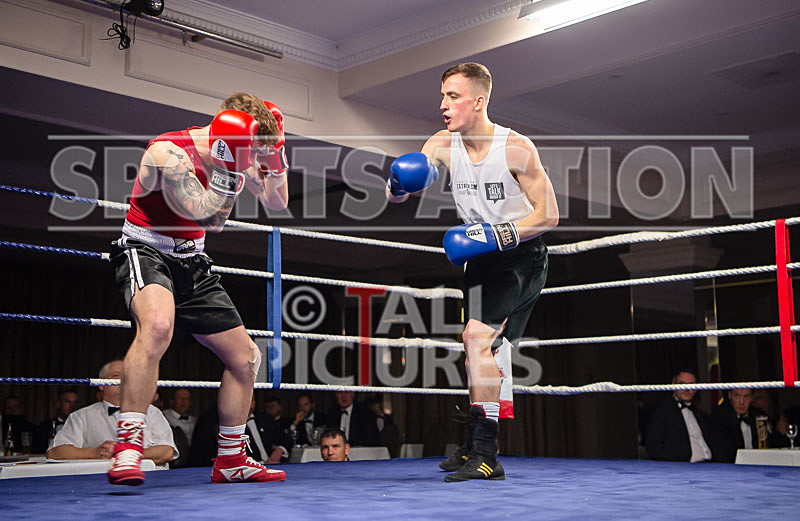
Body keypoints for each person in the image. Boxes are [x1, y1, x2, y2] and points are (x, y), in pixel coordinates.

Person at [386, 62, 558, 482]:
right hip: (480, 259)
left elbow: (549, 215)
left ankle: (486, 454)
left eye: (453, 96)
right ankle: (474, 447)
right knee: (477, 351)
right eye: (443, 95)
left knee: (476, 339)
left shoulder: (516, 148)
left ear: (478, 101)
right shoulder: (441, 144)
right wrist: (397, 184)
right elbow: (400, 195)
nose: (443, 105)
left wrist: (496, 235)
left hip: (520, 255)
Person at [107, 92, 290, 486]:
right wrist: (232, 170)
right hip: (147, 248)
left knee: (246, 359)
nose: (253, 158)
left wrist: (276, 160)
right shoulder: (167, 152)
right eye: (252, 150)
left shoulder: (243, 150)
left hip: (192, 260)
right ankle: (128, 447)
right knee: (157, 327)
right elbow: (208, 216)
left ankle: (231, 460)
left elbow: (276, 202)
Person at [47, 361, 177, 469]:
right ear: (101, 384)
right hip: (98, 483)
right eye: (116, 375)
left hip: (151, 482)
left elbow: (167, 452)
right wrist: (95, 452)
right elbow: (54, 453)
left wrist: (128, 453)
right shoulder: (81, 416)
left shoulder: (152, 412)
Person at [645, 370, 713, 462]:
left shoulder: (701, 415)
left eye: (691, 385)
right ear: (673, 385)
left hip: (711, 466)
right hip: (682, 469)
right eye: (682, 384)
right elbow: (653, 446)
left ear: (696, 388)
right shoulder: (661, 411)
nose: (687, 389)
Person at [709, 387, 783, 462]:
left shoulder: (758, 415)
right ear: (729, 395)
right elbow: (721, 453)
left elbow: (768, 446)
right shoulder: (720, 417)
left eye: (746, 396)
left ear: (752, 398)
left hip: (759, 464)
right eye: (737, 396)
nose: (741, 402)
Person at [33, 389, 80, 453]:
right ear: (58, 404)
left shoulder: (83, 425)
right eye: (67, 402)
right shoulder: (44, 427)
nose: (72, 406)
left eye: (75, 402)